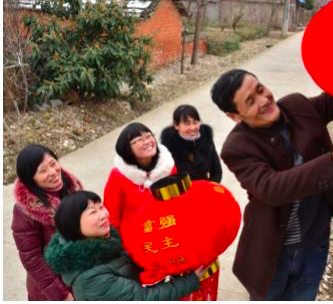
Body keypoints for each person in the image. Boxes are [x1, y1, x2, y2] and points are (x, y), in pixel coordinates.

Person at [210, 69, 333, 300]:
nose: (264, 101)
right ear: (234, 115)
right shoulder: (237, 148)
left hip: (314, 245)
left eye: (260, 89)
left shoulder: (297, 106)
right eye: (250, 101)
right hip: (272, 253)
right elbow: (272, 188)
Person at [44, 191, 206, 301]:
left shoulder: (102, 241)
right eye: (93, 212)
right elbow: (144, 298)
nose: (103, 215)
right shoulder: (90, 278)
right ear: (73, 225)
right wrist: (192, 280)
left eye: (101, 207)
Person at [12, 144, 83, 301]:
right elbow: (32, 260)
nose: (52, 172)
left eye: (53, 163)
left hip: (79, 277)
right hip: (52, 289)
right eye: (42, 170)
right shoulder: (24, 211)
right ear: (30, 179)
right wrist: (62, 295)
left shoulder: (72, 188)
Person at [104, 122, 176, 237]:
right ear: (128, 149)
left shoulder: (168, 167)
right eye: (140, 140)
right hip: (136, 238)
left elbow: (178, 202)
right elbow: (112, 217)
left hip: (168, 232)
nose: (147, 142)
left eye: (148, 136)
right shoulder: (118, 176)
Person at [160, 104, 222, 183]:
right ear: (176, 125)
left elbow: (216, 170)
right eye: (187, 124)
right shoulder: (168, 147)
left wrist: (210, 189)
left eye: (195, 122)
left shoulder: (206, 138)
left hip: (207, 187)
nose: (192, 128)